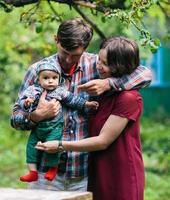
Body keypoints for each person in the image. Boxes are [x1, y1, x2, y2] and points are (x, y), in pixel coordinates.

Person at [11, 18, 152, 191]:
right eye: (65, 52)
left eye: (75, 54)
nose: (69, 60)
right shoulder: (37, 71)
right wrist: (35, 117)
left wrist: (108, 84)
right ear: (56, 39)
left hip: (84, 172)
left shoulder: (97, 66)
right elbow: (15, 118)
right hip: (44, 172)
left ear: (85, 48)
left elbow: (145, 74)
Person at [36, 36, 145, 200]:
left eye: (105, 64)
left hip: (120, 171)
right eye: (99, 61)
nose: (98, 66)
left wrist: (60, 145)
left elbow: (103, 141)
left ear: (119, 66)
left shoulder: (128, 98)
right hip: (97, 168)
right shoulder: (102, 91)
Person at [18, 61, 98, 182]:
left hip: (55, 126)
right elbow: (22, 103)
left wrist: (87, 104)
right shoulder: (33, 90)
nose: (50, 81)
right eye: (46, 78)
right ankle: (32, 171)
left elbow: (73, 100)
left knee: (52, 147)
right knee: (31, 147)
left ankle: (52, 168)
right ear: (38, 79)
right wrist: (27, 103)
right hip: (38, 127)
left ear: (59, 79)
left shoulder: (60, 91)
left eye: (54, 78)